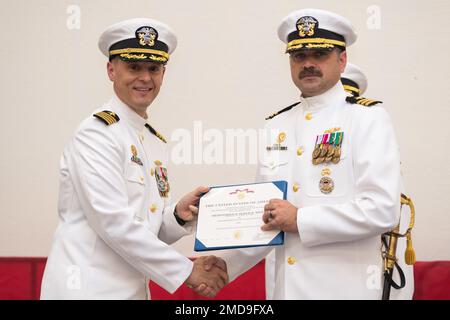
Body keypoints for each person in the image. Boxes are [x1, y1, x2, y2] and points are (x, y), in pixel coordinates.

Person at [205, 8, 413, 299]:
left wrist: (300, 220)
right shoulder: (276, 125)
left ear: (342, 61)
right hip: (285, 291)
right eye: (299, 56)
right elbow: (267, 218)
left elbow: (382, 209)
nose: (308, 64)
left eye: (320, 55)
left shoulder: (367, 117)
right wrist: (224, 266)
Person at [40, 18, 227, 299]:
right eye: (134, 67)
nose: (145, 78)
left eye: (154, 68)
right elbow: (114, 223)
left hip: (131, 291)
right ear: (111, 70)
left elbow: (143, 227)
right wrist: (188, 271)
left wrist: (176, 215)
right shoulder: (96, 133)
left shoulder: (150, 139)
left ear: (163, 73)